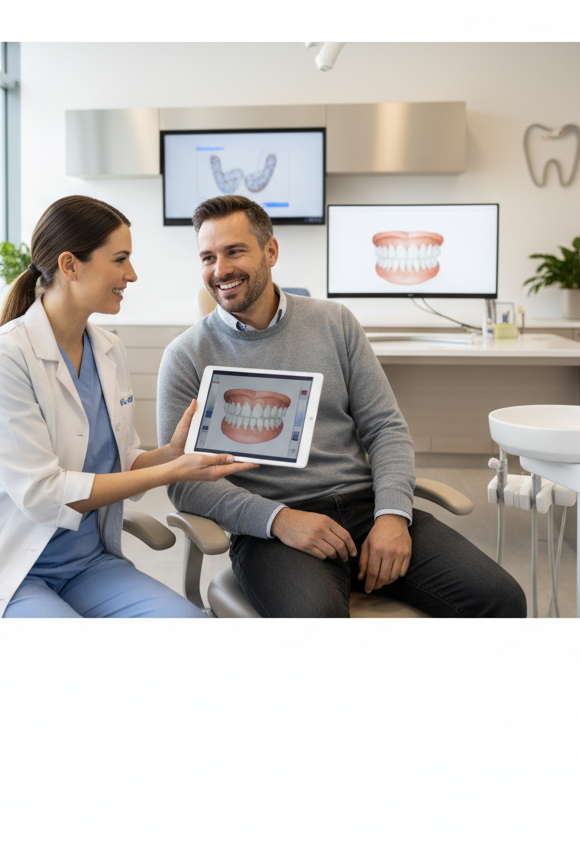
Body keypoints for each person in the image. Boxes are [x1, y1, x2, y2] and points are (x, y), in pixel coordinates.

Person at [157, 195, 527, 618]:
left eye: (234, 251)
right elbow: (183, 481)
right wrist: (279, 519)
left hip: (365, 508)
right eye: (208, 257)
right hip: (272, 531)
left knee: (503, 599)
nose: (220, 270)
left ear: (271, 251)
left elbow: (386, 429)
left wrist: (391, 514)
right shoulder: (186, 355)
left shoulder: (335, 323)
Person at [0, 195, 256, 618]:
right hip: (8, 569)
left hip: (87, 565)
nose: (131, 274)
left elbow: (123, 459)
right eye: (119, 259)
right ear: (69, 265)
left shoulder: (108, 348)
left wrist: (169, 454)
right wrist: (171, 472)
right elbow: (42, 495)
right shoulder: (2, 356)